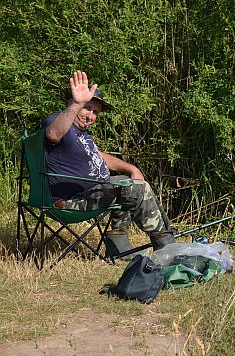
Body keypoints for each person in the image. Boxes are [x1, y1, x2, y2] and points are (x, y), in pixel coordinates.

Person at [43, 70, 176, 257]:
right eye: (87, 108)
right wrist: (76, 104)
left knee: (130, 182)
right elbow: (53, 134)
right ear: (72, 103)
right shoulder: (57, 122)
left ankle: (119, 249)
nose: (91, 116)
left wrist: (131, 168)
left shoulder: (82, 135)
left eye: (95, 112)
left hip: (93, 194)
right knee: (134, 189)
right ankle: (168, 250)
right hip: (69, 202)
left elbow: (98, 154)